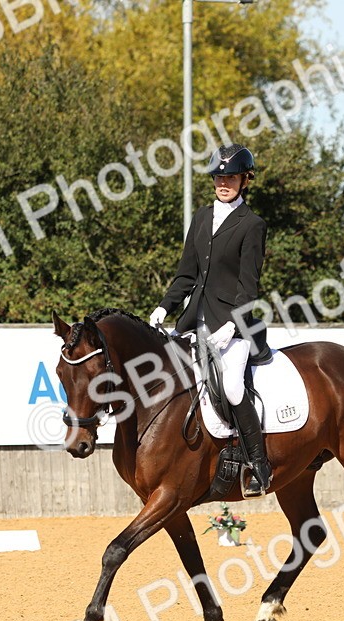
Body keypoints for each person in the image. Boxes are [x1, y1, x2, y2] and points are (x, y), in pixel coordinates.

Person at [149, 143, 272, 495]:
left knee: (232, 386)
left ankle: (258, 465)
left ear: (244, 181)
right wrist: (165, 306)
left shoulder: (252, 225)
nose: (223, 183)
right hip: (192, 321)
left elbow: (248, 285)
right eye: (218, 176)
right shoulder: (202, 217)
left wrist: (233, 324)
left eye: (230, 177)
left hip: (232, 326)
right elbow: (186, 273)